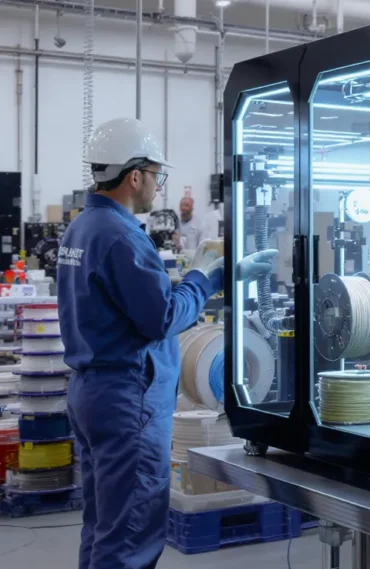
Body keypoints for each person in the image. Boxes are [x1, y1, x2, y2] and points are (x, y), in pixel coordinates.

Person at [57, 117, 276, 569]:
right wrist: (203, 277)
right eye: (157, 175)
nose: (158, 187)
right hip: (127, 399)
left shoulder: (83, 227)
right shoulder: (122, 236)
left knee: (103, 526)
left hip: (92, 394)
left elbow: (131, 301)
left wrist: (215, 276)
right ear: (135, 175)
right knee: (129, 536)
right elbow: (162, 317)